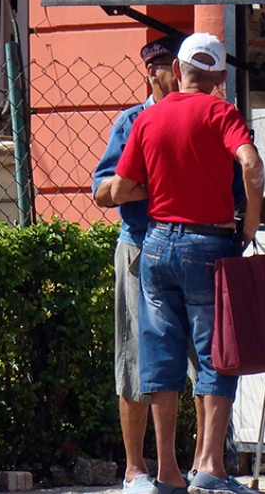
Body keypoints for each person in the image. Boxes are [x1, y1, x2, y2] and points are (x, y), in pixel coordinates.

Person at [106, 33, 265, 494]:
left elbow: (118, 190)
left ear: (177, 72)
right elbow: (252, 166)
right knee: (217, 355)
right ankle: (211, 469)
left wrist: (156, 189)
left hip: (156, 243)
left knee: (160, 355)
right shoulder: (223, 113)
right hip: (209, 242)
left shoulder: (148, 117)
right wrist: (250, 224)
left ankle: (167, 472)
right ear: (219, 77)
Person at [92, 36, 185, 494]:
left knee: (197, 362)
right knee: (134, 358)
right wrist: (155, 185)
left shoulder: (202, 115)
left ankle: (190, 466)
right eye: (169, 66)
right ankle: (135, 468)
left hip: (189, 246)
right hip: (139, 246)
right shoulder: (132, 121)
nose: (176, 72)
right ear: (153, 73)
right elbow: (103, 187)